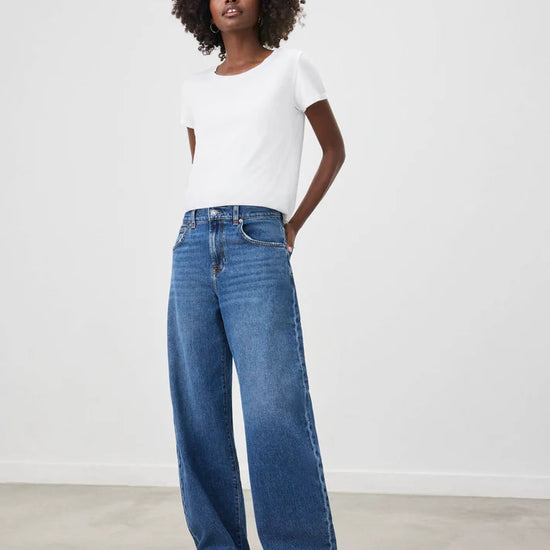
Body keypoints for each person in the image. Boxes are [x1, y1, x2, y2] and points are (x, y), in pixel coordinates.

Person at [168, 1, 345, 548]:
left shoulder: (292, 67)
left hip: (257, 241)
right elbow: (205, 165)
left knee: (273, 407)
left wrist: (291, 226)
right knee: (197, 408)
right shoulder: (195, 88)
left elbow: (334, 151)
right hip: (191, 244)